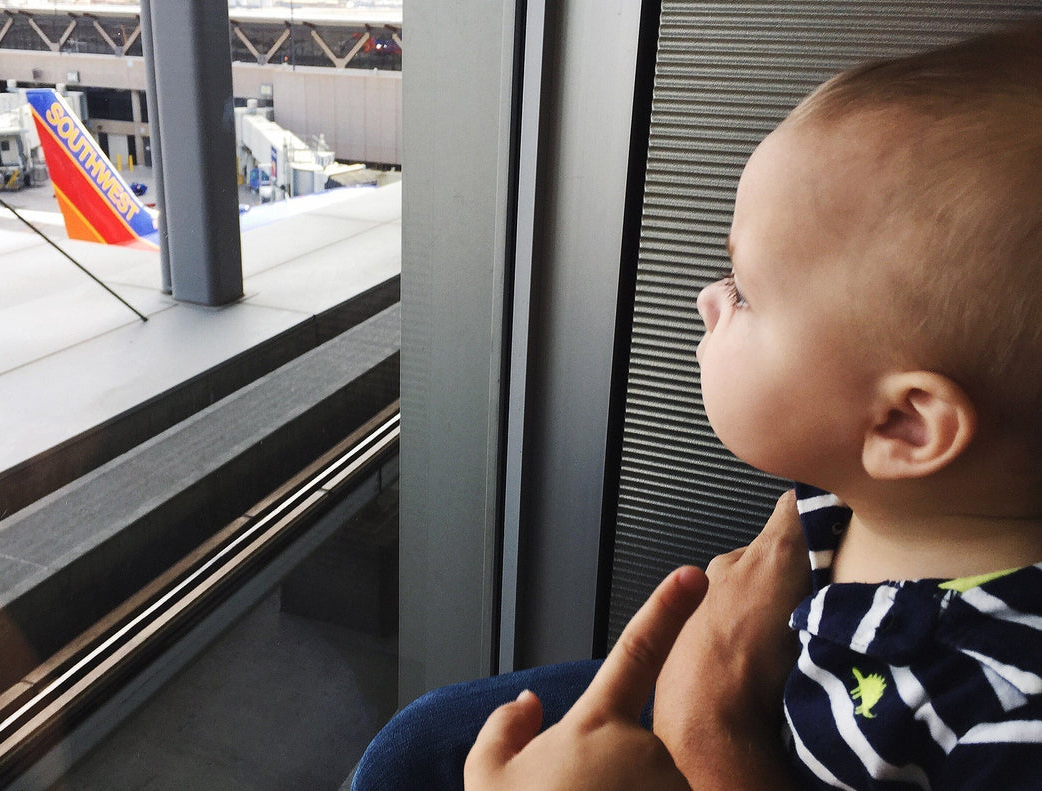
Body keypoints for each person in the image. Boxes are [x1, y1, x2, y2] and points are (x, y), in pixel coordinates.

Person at [357, 22, 1042, 790]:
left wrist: (696, 727)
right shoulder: (863, 495)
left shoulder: (1001, 714)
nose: (706, 298)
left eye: (743, 291)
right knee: (418, 744)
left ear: (904, 425)